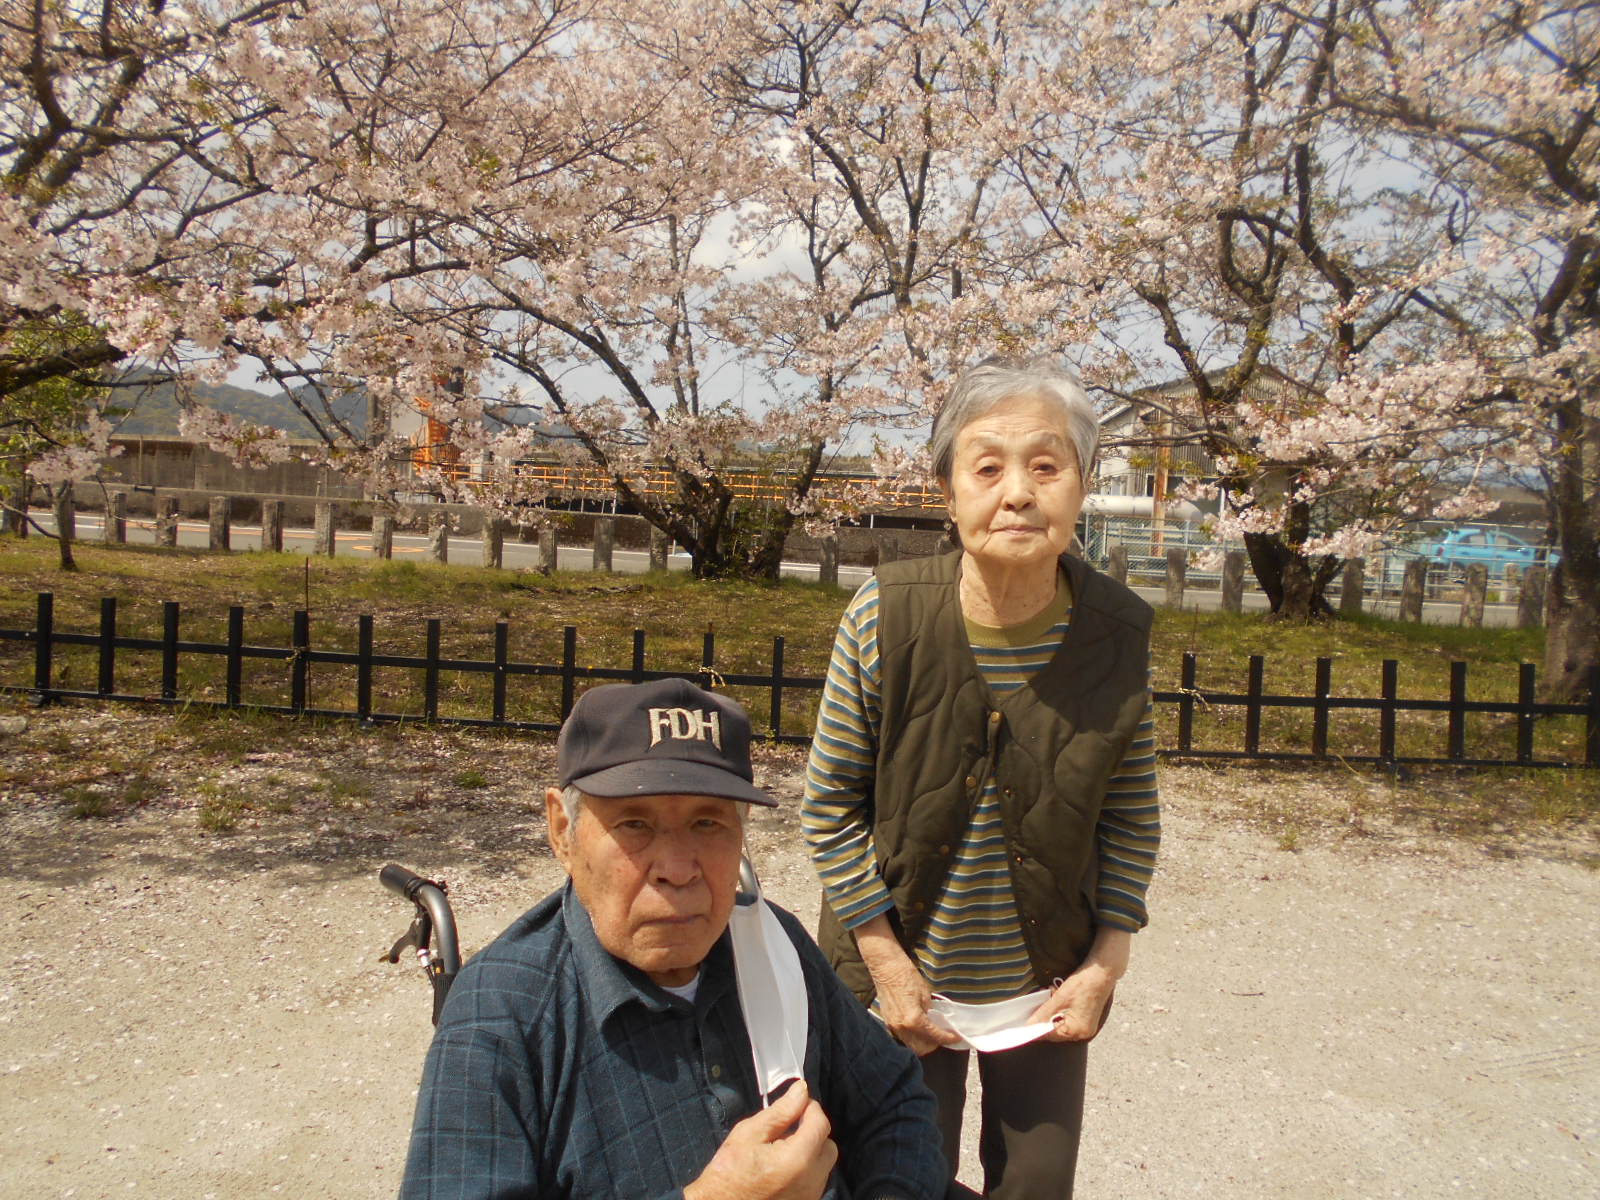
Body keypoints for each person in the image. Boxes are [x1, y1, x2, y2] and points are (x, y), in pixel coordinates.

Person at [803, 355, 1161, 1198]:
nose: (1019, 494)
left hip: (1045, 988)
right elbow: (829, 809)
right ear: (950, 490)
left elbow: (1130, 817)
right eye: (988, 468)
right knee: (898, 1178)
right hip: (900, 985)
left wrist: (1104, 967)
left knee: (1036, 1183)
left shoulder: (1117, 633)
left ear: (1082, 485)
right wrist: (888, 966)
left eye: (1047, 466)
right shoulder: (885, 614)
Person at [400, 677, 949, 1200]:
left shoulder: (771, 944)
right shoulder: (502, 1016)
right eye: (635, 824)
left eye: (708, 823)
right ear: (563, 832)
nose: (679, 869)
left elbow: (895, 1100)